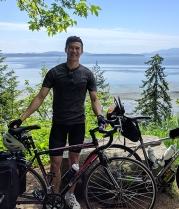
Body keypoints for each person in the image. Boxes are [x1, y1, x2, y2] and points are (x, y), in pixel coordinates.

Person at [9, 36, 106, 209]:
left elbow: (94, 99)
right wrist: (21, 119)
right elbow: (40, 97)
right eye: (71, 47)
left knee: (75, 163)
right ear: (66, 49)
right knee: (55, 164)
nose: (74, 51)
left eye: (77, 48)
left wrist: (100, 116)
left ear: (81, 51)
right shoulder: (55, 72)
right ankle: (54, 199)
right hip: (59, 125)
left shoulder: (87, 74)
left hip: (78, 125)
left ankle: (70, 196)